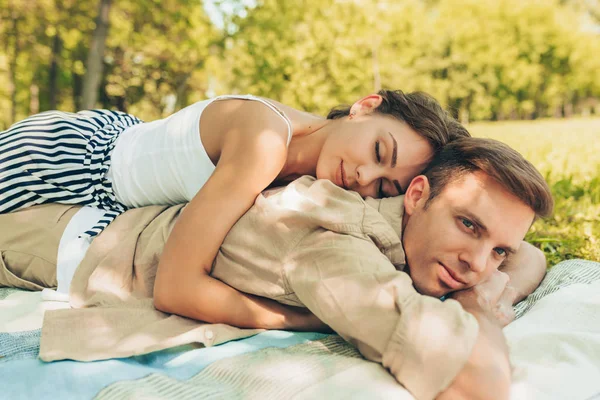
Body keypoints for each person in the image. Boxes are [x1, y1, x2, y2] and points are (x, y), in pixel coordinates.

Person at [0, 137, 553, 399]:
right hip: (74, 242)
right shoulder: (331, 242)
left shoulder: (416, 240)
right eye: (469, 227)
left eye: (497, 251)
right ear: (415, 194)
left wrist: (483, 277)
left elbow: (535, 254)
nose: (478, 264)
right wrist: (475, 307)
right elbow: (475, 382)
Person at [0, 90, 469, 330]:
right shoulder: (264, 144)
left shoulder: (307, 173)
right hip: (63, 159)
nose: (365, 177)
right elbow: (177, 289)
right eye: (379, 150)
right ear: (365, 107)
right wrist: (310, 318)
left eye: (386, 184)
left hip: (109, 200)